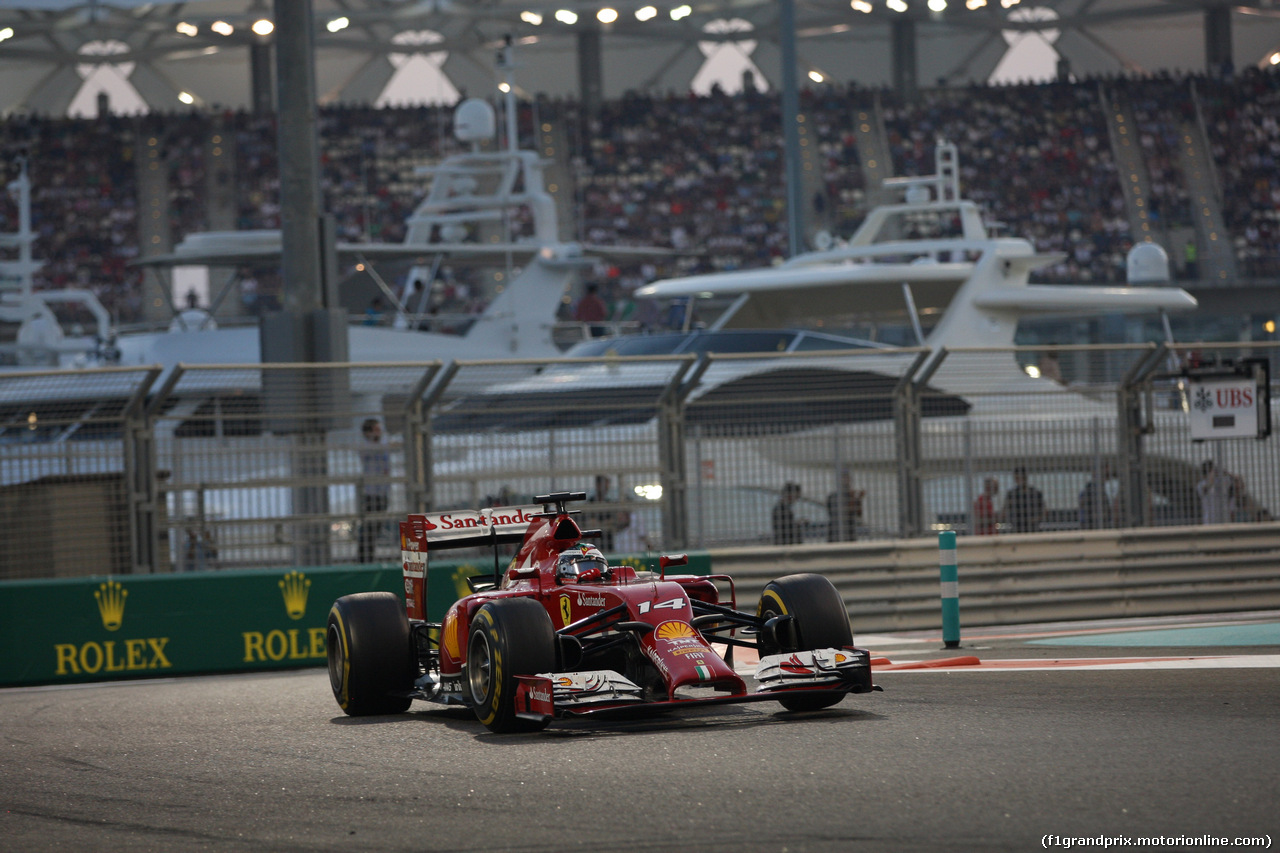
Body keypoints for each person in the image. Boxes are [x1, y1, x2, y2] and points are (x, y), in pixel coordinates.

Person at [358, 418, 391, 562]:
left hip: (383, 492)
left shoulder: (382, 446)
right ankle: (364, 558)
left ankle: (369, 557)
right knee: (368, 528)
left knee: (377, 527)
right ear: (368, 433)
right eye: (376, 430)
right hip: (371, 494)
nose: (380, 433)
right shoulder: (366, 447)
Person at [585, 475, 629, 551]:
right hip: (593, 545)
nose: (607, 488)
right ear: (598, 485)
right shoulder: (590, 503)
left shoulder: (609, 503)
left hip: (608, 543)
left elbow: (616, 521)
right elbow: (589, 523)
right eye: (605, 485)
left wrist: (599, 524)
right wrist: (607, 523)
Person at [1002, 466, 1045, 533]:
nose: (1018, 480)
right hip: (1016, 529)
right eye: (1016, 478)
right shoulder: (1011, 494)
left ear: (1025, 477)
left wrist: (1033, 520)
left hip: (1033, 529)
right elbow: (1004, 511)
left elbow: (1044, 512)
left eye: (1020, 478)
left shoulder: (1036, 493)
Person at [1196, 460, 1239, 525]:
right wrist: (1212, 475)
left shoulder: (1223, 481)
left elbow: (1236, 481)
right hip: (1210, 520)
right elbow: (1207, 486)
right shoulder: (1201, 485)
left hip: (1224, 518)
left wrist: (1225, 472)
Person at [826, 469, 865, 542]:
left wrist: (858, 499)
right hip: (835, 534)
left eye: (847, 478)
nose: (846, 480)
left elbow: (858, 514)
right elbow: (837, 513)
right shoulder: (833, 497)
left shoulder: (853, 496)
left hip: (849, 533)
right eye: (843, 478)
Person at [1078, 463, 1115, 530]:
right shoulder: (1091, 488)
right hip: (1093, 526)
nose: (1108, 476)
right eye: (1106, 474)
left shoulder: (1100, 488)